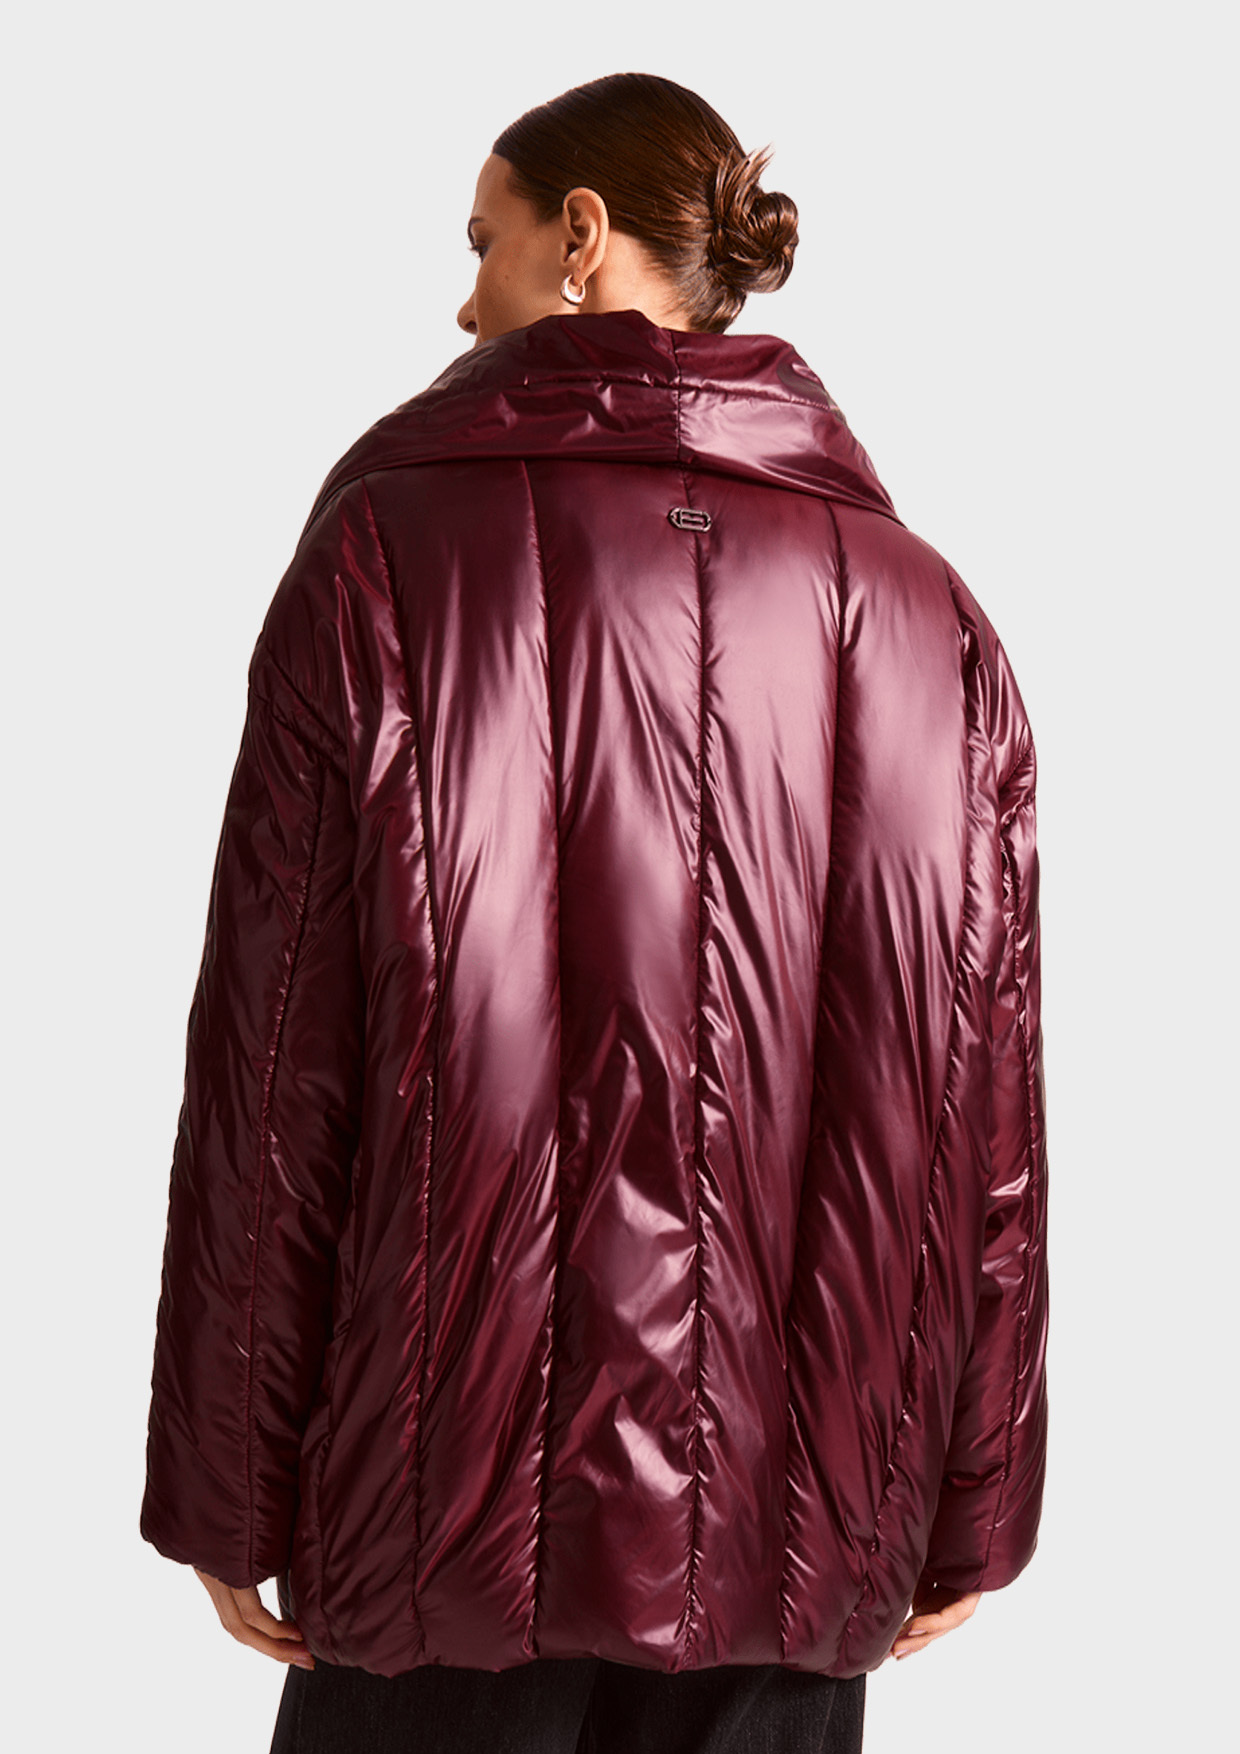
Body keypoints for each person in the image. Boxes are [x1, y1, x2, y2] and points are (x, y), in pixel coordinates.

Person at [139, 72, 1049, 1754]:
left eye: (479, 241)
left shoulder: (386, 562)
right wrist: (972, 1495)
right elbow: (984, 1111)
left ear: (578, 236)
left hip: (439, 1519)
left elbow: (278, 1064)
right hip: (800, 1531)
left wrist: (226, 1472)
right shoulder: (930, 619)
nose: (461, 300)